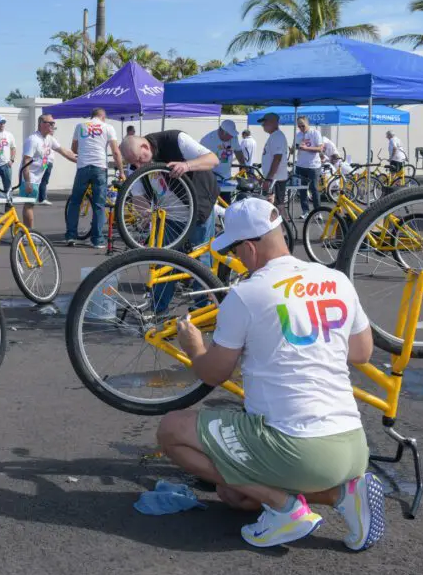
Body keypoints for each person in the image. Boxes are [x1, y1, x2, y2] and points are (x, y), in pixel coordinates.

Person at [157, 197, 385, 550]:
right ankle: (344, 493)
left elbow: (215, 374)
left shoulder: (247, 294)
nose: (235, 258)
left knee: (171, 429)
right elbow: (361, 352)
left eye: (234, 250)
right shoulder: (335, 279)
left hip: (298, 449)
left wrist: (193, 345)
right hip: (352, 446)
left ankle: (284, 509)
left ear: (248, 247)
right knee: (234, 496)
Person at [118, 133, 219, 261]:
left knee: (200, 260)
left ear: (145, 147)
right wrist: (145, 211)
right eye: (134, 163)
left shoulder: (175, 140)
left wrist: (187, 165)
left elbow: (213, 159)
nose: (138, 166)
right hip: (169, 219)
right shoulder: (135, 164)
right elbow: (138, 196)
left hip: (198, 210)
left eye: (139, 159)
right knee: (166, 263)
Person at [65, 108, 124, 249]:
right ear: (103, 117)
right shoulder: (108, 127)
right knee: (99, 204)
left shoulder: (80, 126)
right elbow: (115, 152)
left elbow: (73, 148)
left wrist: (85, 152)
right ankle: (97, 240)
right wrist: (121, 171)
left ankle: (71, 236)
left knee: (75, 202)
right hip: (99, 167)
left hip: (83, 167)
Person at [19, 115, 77, 229]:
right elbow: (26, 161)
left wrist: (80, 160)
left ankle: (28, 232)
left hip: (38, 177)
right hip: (30, 177)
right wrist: (28, 182)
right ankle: (29, 233)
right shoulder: (33, 140)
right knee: (29, 205)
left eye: (53, 123)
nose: (52, 126)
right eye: (49, 123)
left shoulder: (49, 138)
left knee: (31, 205)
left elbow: (64, 151)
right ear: (41, 123)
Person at [200, 120, 238, 201]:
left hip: (226, 178)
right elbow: (200, 159)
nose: (231, 137)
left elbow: (238, 151)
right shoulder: (207, 140)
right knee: (210, 203)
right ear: (222, 131)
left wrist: (243, 166)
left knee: (225, 203)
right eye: (229, 135)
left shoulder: (234, 138)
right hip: (211, 179)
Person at [294, 116, 324, 218]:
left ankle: (317, 212)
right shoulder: (298, 135)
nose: (301, 128)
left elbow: (320, 148)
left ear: (307, 124)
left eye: (303, 125)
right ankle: (305, 211)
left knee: (314, 189)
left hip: (313, 166)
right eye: (299, 126)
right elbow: (295, 148)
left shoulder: (315, 133)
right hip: (301, 165)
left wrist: (306, 148)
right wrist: (293, 149)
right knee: (302, 190)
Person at [258, 113, 290, 207]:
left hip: (276, 179)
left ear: (273, 122)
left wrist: (268, 178)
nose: (262, 125)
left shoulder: (277, 136)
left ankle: (282, 222)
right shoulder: (274, 136)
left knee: (275, 207)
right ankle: (281, 221)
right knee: (276, 207)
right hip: (274, 178)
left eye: (264, 122)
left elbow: (277, 158)